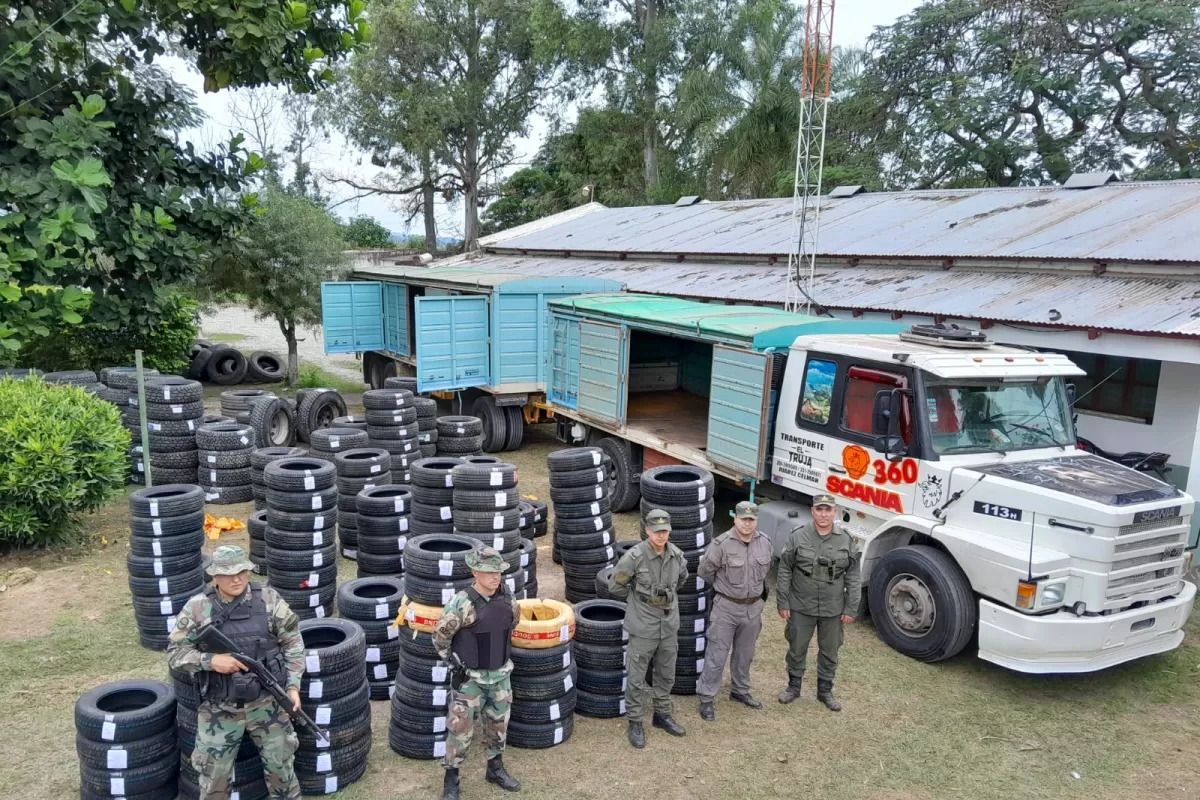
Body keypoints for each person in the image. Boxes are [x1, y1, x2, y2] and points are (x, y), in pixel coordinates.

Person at [167, 545, 304, 800]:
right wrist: (211, 660)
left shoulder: (269, 600)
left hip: (268, 703)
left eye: (241, 571)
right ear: (214, 576)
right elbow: (175, 653)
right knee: (213, 779)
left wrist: (293, 687)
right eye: (228, 574)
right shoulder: (198, 608)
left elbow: (293, 643)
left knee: (282, 769)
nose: (236, 578)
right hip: (220, 708)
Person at [432, 547, 522, 800]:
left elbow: (512, 624)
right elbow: (441, 637)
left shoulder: (507, 597)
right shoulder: (462, 602)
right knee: (459, 730)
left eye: (498, 572)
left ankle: (495, 769)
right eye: (489, 572)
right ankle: (451, 780)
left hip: (500, 676)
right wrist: (455, 662)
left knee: (498, 726)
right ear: (474, 572)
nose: (496, 577)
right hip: (470, 679)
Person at [610, 508, 691, 748]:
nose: (661, 535)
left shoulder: (676, 556)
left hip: (668, 625)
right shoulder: (634, 557)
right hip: (643, 626)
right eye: (656, 531)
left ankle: (662, 714)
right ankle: (635, 721)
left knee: (666, 673)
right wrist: (638, 601)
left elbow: (682, 580)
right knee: (636, 675)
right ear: (647, 530)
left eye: (665, 531)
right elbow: (616, 587)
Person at [776, 494, 861, 711]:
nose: (823, 514)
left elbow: (852, 575)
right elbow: (785, 568)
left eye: (828, 510)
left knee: (830, 650)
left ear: (835, 512)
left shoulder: (846, 539)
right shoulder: (798, 536)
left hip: (833, 607)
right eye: (819, 509)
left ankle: (825, 691)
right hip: (801, 604)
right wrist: (783, 601)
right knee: (796, 647)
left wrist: (851, 606)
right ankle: (793, 687)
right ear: (813, 511)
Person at [695, 500, 773, 721]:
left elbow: (767, 570)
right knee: (716, 655)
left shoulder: (765, 542)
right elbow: (705, 571)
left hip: (753, 609)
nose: (747, 524)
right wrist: (725, 590)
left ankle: (740, 691)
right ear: (735, 518)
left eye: (751, 520)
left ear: (756, 520)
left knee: (745, 654)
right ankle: (707, 698)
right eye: (743, 519)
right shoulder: (721, 544)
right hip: (726, 608)